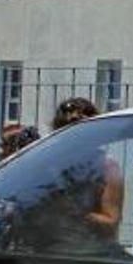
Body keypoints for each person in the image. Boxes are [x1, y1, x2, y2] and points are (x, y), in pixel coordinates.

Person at [51, 97, 125, 246]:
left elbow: (110, 223)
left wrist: (75, 213)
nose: (70, 134)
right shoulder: (47, 163)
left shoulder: (105, 165)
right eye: (64, 127)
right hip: (47, 249)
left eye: (77, 127)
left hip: (90, 252)